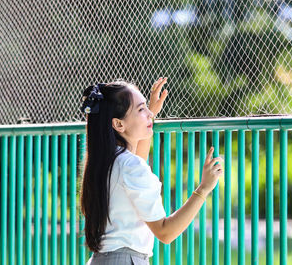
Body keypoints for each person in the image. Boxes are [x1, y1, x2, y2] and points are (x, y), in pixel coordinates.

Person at [80, 78, 223, 265]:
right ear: (118, 124)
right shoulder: (128, 166)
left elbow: (137, 162)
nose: (148, 113)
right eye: (141, 109)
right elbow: (165, 232)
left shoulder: (107, 161)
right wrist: (203, 189)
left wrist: (149, 116)